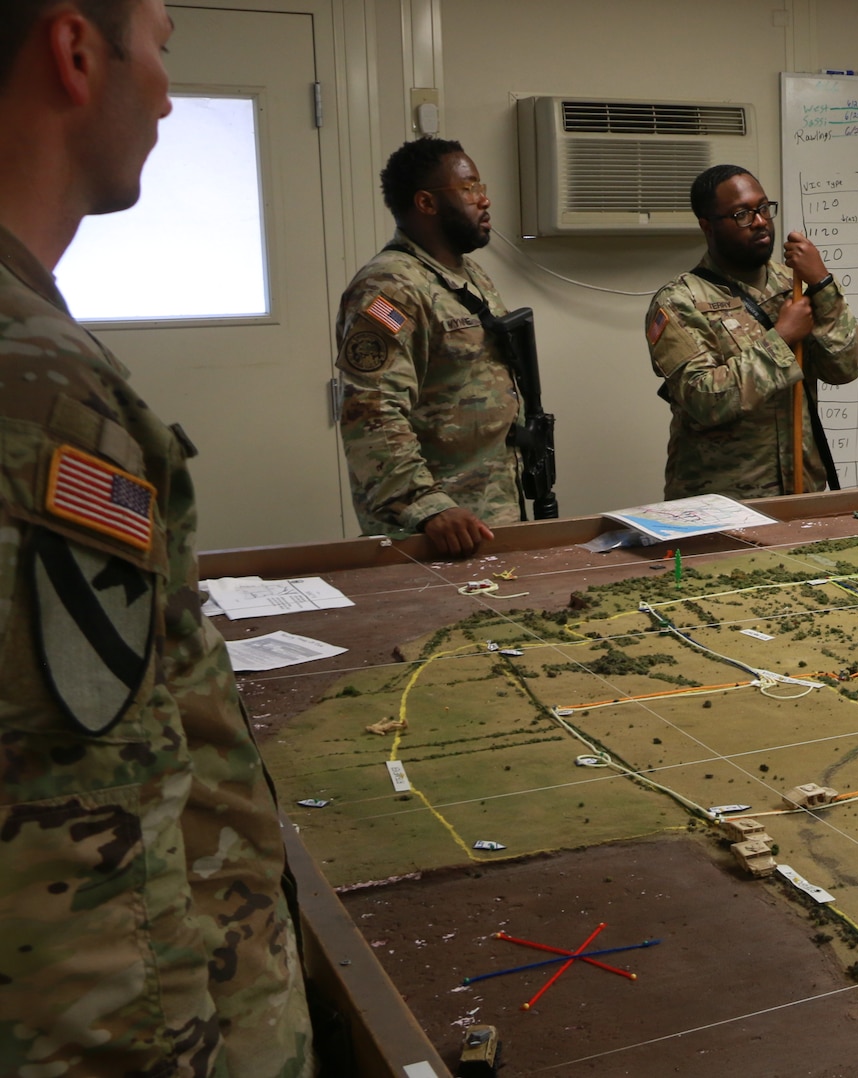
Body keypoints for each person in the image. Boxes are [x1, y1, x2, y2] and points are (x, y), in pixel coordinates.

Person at [0, 1, 313, 1074]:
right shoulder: (36, 393)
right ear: (77, 51)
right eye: (163, 49)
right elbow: (80, 872)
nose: (172, 97)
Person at [336, 137, 521, 558]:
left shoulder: (464, 275)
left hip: (487, 512)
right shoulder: (390, 288)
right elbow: (372, 411)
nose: (484, 199)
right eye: (469, 188)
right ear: (426, 203)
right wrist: (428, 508)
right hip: (433, 528)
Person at [646, 165, 858, 500]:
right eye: (741, 215)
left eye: (764, 208)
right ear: (707, 225)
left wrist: (823, 284)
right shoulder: (679, 301)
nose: (761, 221)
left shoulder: (792, 283)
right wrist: (781, 339)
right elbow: (704, 399)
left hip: (801, 492)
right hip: (723, 503)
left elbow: (846, 367)